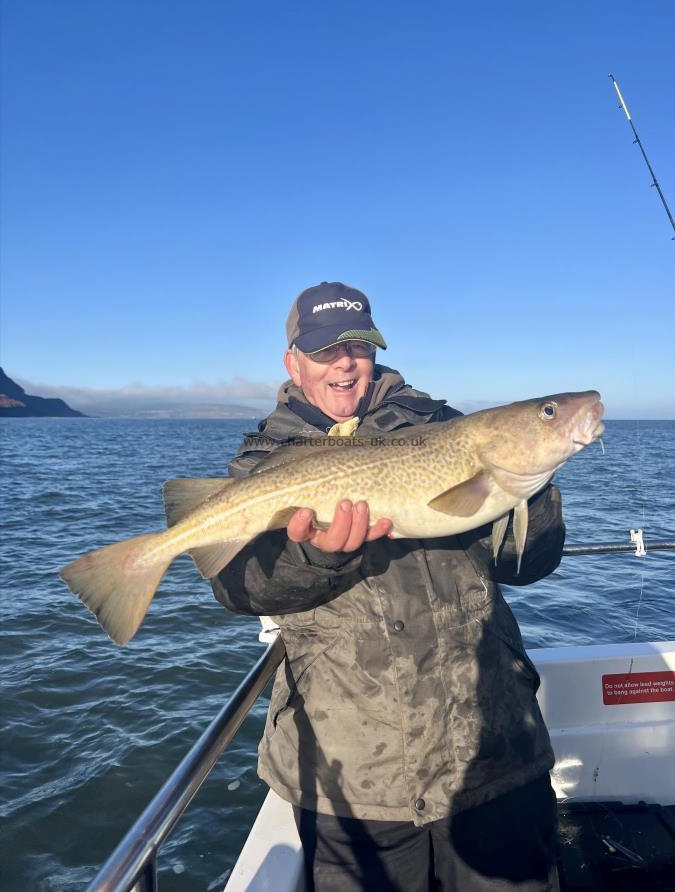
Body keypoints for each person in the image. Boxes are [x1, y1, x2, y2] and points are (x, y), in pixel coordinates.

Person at [212, 281, 564, 891]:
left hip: (489, 747)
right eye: (324, 349)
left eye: (359, 345)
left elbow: (526, 563)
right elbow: (239, 589)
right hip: (351, 770)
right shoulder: (262, 461)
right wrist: (313, 557)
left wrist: (532, 480)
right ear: (293, 361)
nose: (344, 362)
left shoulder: (448, 430)